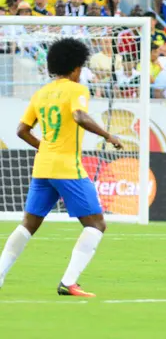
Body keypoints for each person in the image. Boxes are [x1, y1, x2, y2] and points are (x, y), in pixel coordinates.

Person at [0, 38, 123, 297]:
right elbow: (79, 116)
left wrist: (44, 146)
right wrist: (108, 136)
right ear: (76, 68)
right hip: (67, 168)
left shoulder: (41, 93)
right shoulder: (77, 90)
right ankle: (69, 282)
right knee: (97, 224)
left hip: (43, 166)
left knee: (29, 224)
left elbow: (22, 130)